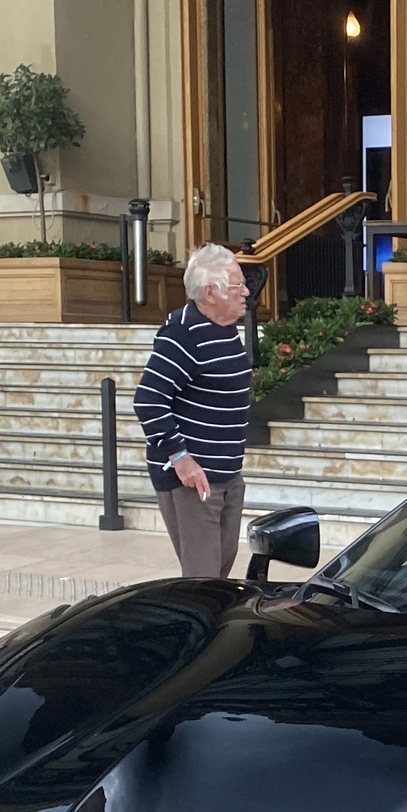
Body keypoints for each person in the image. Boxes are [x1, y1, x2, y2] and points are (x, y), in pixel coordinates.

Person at [135, 245, 255, 576]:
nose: (246, 291)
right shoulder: (182, 334)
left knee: (218, 576)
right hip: (193, 480)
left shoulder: (225, 329)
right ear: (210, 292)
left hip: (227, 473)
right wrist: (181, 459)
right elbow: (148, 399)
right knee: (203, 582)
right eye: (237, 285)